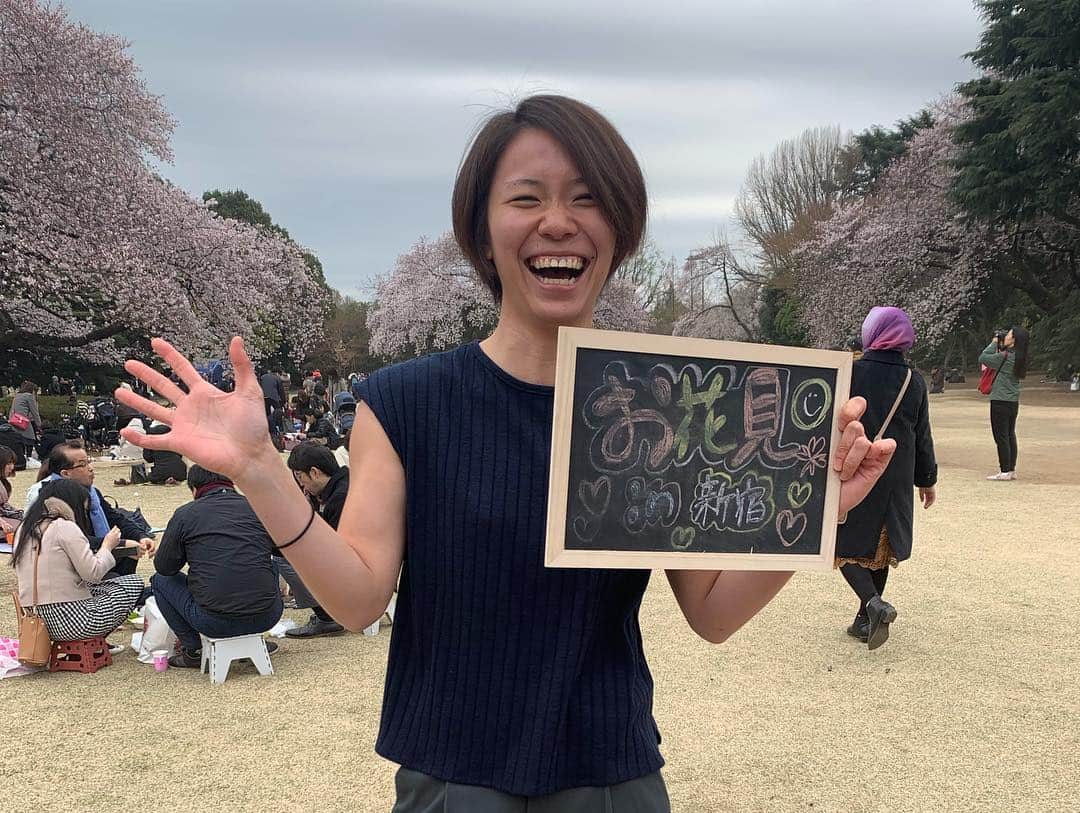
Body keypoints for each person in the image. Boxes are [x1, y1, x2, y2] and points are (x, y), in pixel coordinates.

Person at [116, 95, 894, 811]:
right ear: (482, 230)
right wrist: (259, 470)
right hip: (453, 777)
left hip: (610, 775)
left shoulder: (660, 401)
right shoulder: (404, 401)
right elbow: (356, 601)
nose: (559, 221)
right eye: (527, 197)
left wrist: (814, 508)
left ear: (620, 229)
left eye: (587, 197)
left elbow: (713, 613)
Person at [835, 307, 937, 650]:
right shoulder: (914, 380)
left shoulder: (850, 371)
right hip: (896, 474)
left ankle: (873, 605)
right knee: (881, 546)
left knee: (840, 543)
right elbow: (922, 433)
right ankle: (864, 619)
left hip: (856, 467)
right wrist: (927, 479)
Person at [150, 465, 283, 668]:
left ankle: (193, 650)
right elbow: (281, 550)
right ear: (230, 482)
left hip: (213, 621)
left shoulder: (186, 514)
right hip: (267, 615)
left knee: (160, 581)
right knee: (267, 565)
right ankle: (251, 640)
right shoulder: (257, 507)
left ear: (194, 489)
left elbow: (164, 567)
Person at [11, 479, 144, 642]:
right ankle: (97, 641)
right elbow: (93, 573)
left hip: (35, 620)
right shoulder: (64, 527)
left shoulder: (24, 529)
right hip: (72, 622)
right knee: (133, 582)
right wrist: (107, 546)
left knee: (97, 586)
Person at [25, 441, 154, 579]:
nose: (90, 468)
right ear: (65, 473)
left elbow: (116, 518)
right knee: (135, 581)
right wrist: (119, 543)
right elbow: (72, 540)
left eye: (89, 462)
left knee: (131, 557)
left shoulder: (92, 492)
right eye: (82, 464)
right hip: (69, 570)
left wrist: (141, 536)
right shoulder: (50, 499)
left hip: (93, 554)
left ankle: (121, 585)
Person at [278, 443, 348, 638]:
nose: (301, 484)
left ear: (314, 472)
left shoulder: (340, 497)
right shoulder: (333, 489)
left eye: (300, 477)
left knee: (283, 555)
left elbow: (333, 546)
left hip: (353, 569)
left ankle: (326, 616)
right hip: (349, 561)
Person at [980, 326, 1029, 481]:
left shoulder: (1005, 356)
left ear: (1014, 339)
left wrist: (995, 342)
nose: (1006, 336)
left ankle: (1005, 470)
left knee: (1000, 436)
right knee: (1009, 434)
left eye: (1008, 334)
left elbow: (984, 357)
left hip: (1000, 399)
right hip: (1013, 400)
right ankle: (1011, 469)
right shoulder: (1020, 357)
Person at [8, 381, 42, 461]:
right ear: (31, 389)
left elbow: (12, 409)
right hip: (23, 421)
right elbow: (34, 412)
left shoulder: (17, 396)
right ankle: (29, 458)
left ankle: (21, 457)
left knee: (20, 440)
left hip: (14, 420)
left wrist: (10, 420)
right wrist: (39, 425)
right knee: (31, 438)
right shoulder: (29, 396)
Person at [1, 446, 23, 539]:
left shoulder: (3, 481)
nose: (12, 467)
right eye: (9, 463)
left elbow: (4, 505)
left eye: (13, 463)